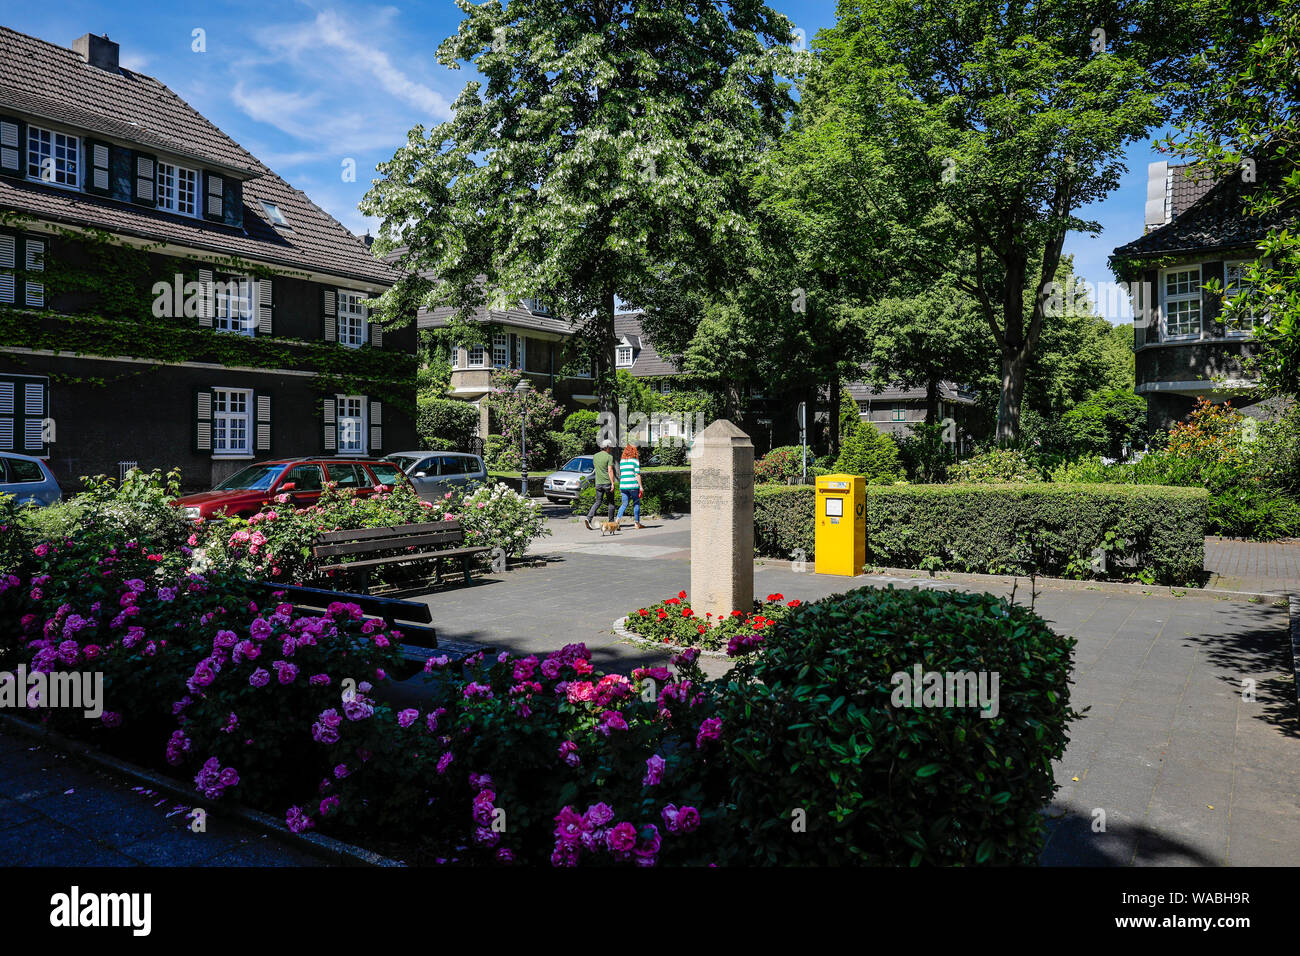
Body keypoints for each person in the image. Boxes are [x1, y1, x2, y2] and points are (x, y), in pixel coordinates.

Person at [583, 439, 618, 530]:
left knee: (598, 502)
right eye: (609, 447)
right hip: (607, 483)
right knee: (611, 503)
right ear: (607, 447)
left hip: (598, 483)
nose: (610, 449)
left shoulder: (595, 456)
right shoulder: (609, 457)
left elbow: (597, 468)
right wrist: (613, 483)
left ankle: (589, 518)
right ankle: (611, 523)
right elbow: (610, 470)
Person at [615, 442, 646, 529]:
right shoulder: (635, 461)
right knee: (636, 503)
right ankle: (637, 523)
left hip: (623, 486)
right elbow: (637, 474)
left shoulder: (622, 461)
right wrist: (641, 486)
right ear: (634, 451)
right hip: (633, 485)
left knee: (624, 504)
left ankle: (617, 520)